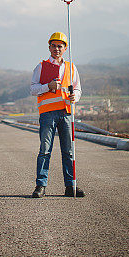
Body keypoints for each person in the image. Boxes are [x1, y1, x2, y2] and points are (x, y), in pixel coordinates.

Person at [30, 32, 85, 198]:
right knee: (45, 151)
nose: (56, 49)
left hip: (67, 113)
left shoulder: (71, 67)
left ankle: (70, 186)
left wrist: (76, 95)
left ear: (65, 48)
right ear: (49, 47)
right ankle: (41, 186)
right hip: (47, 114)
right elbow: (33, 89)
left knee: (68, 151)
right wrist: (48, 86)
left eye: (60, 46)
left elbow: (77, 88)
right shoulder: (41, 66)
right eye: (53, 46)